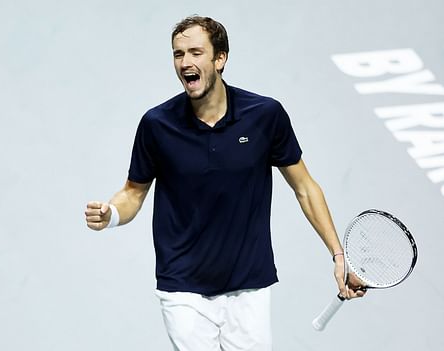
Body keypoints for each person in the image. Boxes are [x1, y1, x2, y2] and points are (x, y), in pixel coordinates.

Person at [85, 15, 365, 351]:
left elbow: (304, 187)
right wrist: (111, 214)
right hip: (182, 285)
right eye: (178, 54)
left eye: (195, 52)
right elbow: (133, 192)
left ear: (220, 58)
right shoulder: (157, 125)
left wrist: (337, 254)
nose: (185, 62)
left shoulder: (265, 115)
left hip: (249, 284)